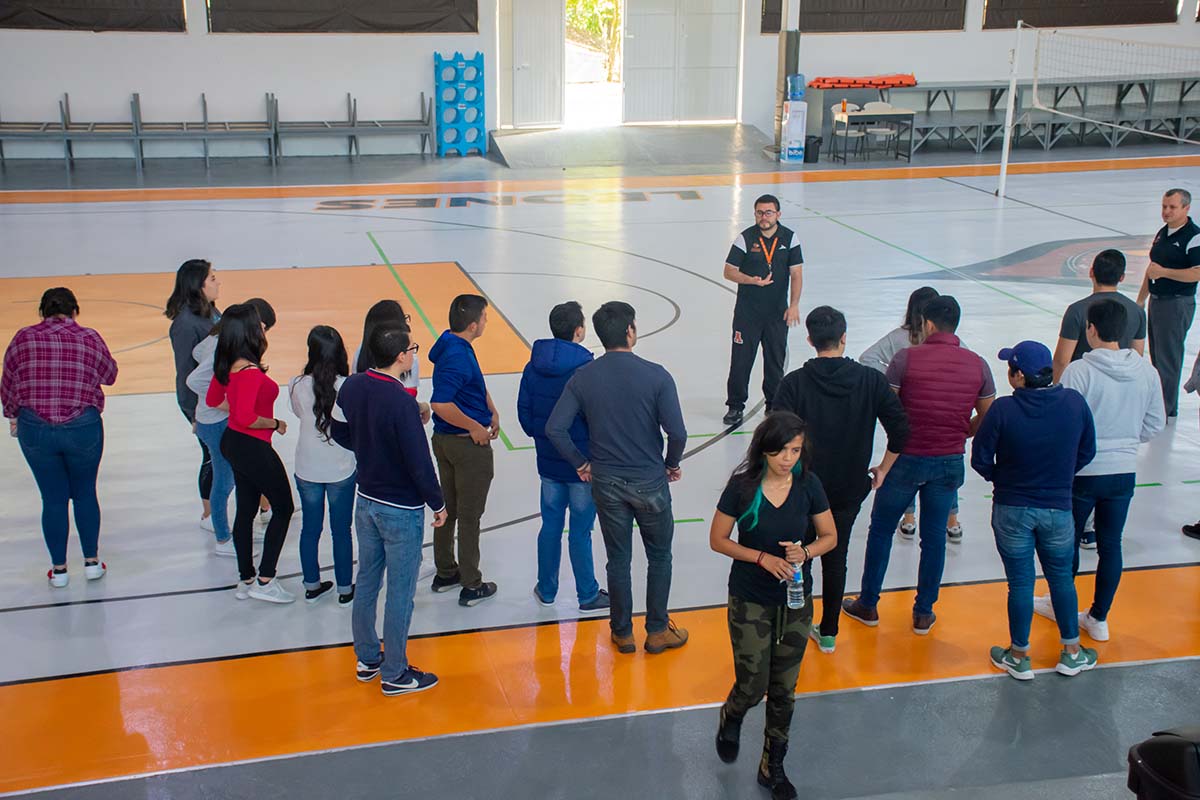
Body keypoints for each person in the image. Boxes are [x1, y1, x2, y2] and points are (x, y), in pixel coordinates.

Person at [842, 296, 995, 635]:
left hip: (906, 460)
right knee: (935, 537)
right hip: (949, 461)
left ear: (926, 324)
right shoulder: (978, 364)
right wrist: (962, 432)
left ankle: (868, 604)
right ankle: (924, 612)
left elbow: (891, 409)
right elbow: (987, 413)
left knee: (881, 530)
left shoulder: (905, 359)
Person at [546, 301, 688, 654]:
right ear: (630, 331)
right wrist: (671, 463)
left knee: (618, 557)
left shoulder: (584, 377)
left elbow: (555, 428)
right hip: (649, 480)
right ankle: (656, 631)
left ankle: (622, 632)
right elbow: (678, 433)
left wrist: (581, 463)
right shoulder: (657, 375)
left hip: (606, 482)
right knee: (659, 556)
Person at [772, 306, 909, 654]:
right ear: (844, 337)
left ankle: (799, 624)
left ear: (810, 340)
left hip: (802, 488)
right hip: (850, 488)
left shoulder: (794, 384)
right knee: (837, 553)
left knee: (799, 555)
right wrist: (883, 468)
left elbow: (773, 437)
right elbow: (901, 431)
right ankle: (829, 632)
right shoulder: (870, 381)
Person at [970, 340, 1098, 680]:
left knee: (1021, 584)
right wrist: (1061, 475)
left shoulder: (1003, 411)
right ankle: (1071, 651)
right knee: (1061, 580)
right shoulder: (1073, 403)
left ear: (1018, 375)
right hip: (1058, 507)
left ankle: (1018, 654)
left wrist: (1004, 478)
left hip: (1012, 508)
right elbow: (1088, 450)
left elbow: (980, 459)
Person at [332, 322, 446, 696]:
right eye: (412, 348)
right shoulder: (400, 401)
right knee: (400, 591)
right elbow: (419, 460)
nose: (414, 353)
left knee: (367, 580)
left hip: (366, 502)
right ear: (401, 356)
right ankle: (395, 673)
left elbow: (337, 428)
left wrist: (367, 450)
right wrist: (438, 501)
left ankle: (367, 658)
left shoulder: (352, 385)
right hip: (401, 509)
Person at [1040, 301, 1164, 642]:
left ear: (1090, 330)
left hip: (1082, 471)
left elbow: (1064, 424)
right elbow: (1154, 423)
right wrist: (1124, 441)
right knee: (1111, 543)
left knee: (1066, 543)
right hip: (1123, 472)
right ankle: (1099, 617)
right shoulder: (1146, 372)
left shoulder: (1079, 372)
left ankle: (1060, 604)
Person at [2, 288, 117, 587]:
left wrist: (13, 413)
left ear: (42, 312)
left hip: (35, 428)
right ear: (74, 312)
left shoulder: (23, 338)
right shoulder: (89, 337)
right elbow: (110, 375)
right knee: (85, 493)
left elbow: (8, 381)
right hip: (82, 427)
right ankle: (92, 563)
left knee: (52, 499)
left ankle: (60, 570)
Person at [517, 301, 609, 613]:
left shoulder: (533, 366)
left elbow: (525, 414)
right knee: (581, 531)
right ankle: (587, 593)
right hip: (582, 465)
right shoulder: (588, 369)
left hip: (548, 463)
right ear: (579, 331)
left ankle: (546, 589)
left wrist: (542, 438)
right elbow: (597, 416)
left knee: (550, 526)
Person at [205, 303, 296, 603]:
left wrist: (242, 408)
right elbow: (245, 417)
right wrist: (274, 422)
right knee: (283, 507)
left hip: (234, 443)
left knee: (245, 508)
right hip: (252, 445)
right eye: (259, 325)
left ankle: (245, 578)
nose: (263, 329)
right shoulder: (250, 373)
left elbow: (214, 399)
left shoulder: (227, 364)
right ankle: (265, 579)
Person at [859, 286, 965, 542]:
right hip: (941, 418)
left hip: (908, 415)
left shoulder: (900, 338)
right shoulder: (944, 342)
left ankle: (909, 518)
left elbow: (867, 358)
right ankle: (951, 521)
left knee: (904, 464)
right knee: (942, 464)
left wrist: (893, 385)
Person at [187, 297, 277, 558]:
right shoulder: (221, 347)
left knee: (235, 477)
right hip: (214, 423)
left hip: (211, 420)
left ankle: (236, 531)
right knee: (224, 481)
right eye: (262, 326)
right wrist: (227, 402)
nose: (263, 332)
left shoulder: (219, 341)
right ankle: (224, 539)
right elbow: (195, 380)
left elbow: (196, 353)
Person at [429, 294, 500, 607]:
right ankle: (472, 584)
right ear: (473, 325)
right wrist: (474, 426)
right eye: (484, 317)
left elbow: (472, 383)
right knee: (470, 516)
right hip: (465, 445)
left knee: (450, 508)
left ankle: (446, 571)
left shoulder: (448, 341)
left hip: (445, 442)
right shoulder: (458, 356)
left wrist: (491, 409)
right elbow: (440, 403)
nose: (486, 321)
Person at [722, 194, 805, 426]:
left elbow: (796, 274)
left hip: (777, 314)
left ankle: (773, 405)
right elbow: (728, 271)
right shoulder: (745, 238)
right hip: (747, 315)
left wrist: (794, 305)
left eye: (768, 212)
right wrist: (751, 280)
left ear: (778, 214)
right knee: (741, 361)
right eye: (759, 212)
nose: (763, 217)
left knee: (775, 361)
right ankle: (735, 406)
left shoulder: (790, 238)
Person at [288, 325, 357, 606]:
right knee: (341, 530)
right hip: (340, 466)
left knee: (310, 528)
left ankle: (311, 584)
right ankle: (344, 587)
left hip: (307, 466)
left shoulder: (297, 384)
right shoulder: (347, 387)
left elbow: (298, 412)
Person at [165, 259, 221, 530]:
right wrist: (193, 415)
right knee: (211, 455)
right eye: (212, 278)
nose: (217, 282)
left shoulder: (210, 311)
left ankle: (263, 504)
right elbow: (186, 374)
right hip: (203, 404)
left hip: (220, 398)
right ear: (197, 285)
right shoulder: (186, 324)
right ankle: (209, 515)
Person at [1137, 188, 1200, 417]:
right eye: (1164, 206)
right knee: (1157, 355)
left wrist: (1164, 272)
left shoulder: (1193, 236)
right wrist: (1141, 299)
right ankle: (1158, 403)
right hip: (1157, 301)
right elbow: (1152, 269)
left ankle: (1166, 408)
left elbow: (1196, 273)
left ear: (1186, 208)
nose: (1166, 211)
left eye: (1172, 207)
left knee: (1168, 357)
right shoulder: (1163, 233)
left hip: (1176, 303)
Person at [1052, 249, 1146, 383]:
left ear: (1091, 272)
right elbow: (1137, 355)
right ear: (1122, 277)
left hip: (1084, 382)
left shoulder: (1077, 310)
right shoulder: (1137, 311)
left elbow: (1062, 361)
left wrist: (1058, 392)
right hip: (1120, 387)